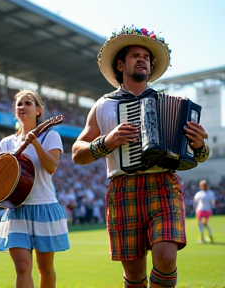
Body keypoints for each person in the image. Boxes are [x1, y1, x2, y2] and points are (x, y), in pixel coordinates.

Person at [72, 25, 210, 288]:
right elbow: (78, 153)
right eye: (136, 55)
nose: (142, 59)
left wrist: (199, 145)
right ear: (121, 65)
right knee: (134, 275)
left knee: (166, 256)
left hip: (163, 184)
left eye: (146, 56)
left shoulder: (173, 103)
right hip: (123, 188)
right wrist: (108, 141)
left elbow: (197, 156)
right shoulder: (103, 105)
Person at [0, 90, 70, 288]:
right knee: (23, 266)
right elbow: (1, 180)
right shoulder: (6, 143)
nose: (22, 107)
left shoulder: (50, 136)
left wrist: (34, 142)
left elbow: (51, 167)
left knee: (45, 268)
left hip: (44, 207)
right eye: (19, 104)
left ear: (38, 110)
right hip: (16, 210)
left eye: (27, 103)